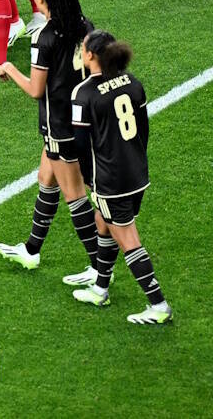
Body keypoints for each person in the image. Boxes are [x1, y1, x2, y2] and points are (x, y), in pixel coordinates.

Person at [0, 0, 103, 284]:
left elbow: (34, 90)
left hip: (59, 125)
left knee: (74, 195)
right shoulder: (86, 27)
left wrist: (9, 68)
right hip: (84, 119)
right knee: (46, 179)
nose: (35, 1)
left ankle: (99, 269)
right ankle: (31, 250)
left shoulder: (45, 37)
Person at [70, 31, 172, 324]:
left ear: (91, 56)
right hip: (137, 172)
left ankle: (158, 306)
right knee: (104, 223)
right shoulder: (133, 83)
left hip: (110, 180)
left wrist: (90, 179)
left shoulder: (85, 93)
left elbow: (80, 144)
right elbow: (144, 129)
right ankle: (101, 287)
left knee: (127, 238)